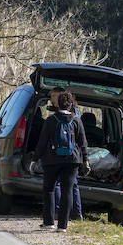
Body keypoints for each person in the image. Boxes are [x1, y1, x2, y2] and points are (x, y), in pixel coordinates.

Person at [36, 90, 88, 232]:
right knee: (67, 191)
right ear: (71, 105)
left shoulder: (50, 121)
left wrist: (35, 158)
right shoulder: (77, 121)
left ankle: (48, 222)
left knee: (49, 189)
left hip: (51, 160)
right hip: (72, 160)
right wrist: (85, 159)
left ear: (57, 104)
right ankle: (63, 226)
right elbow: (83, 142)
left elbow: (42, 142)